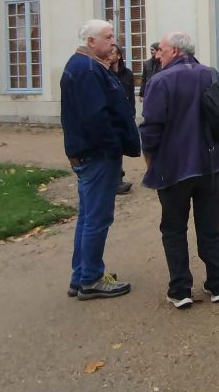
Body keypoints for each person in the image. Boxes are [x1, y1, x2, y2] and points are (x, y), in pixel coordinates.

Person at [140, 32, 219, 309]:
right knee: (210, 227)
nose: (158, 54)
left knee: (173, 228)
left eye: (162, 49)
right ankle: (218, 284)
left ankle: (180, 289)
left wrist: (150, 162)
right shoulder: (214, 74)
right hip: (210, 164)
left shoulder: (160, 81)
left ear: (176, 51)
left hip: (174, 167)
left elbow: (151, 129)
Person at [59, 19, 139, 300]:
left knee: (87, 216)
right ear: (91, 42)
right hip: (97, 156)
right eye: (108, 36)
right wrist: (113, 147)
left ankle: (81, 275)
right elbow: (97, 118)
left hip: (89, 154)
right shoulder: (87, 69)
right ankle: (90, 279)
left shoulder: (83, 66)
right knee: (96, 218)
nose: (113, 41)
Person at [107, 42, 135, 194]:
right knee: (114, 148)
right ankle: (116, 181)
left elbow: (130, 96)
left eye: (112, 53)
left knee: (120, 147)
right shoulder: (105, 73)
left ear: (118, 55)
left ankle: (118, 177)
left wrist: (131, 113)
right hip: (111, 117)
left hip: (125, 115)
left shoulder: (128, 74)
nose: (109, 55)